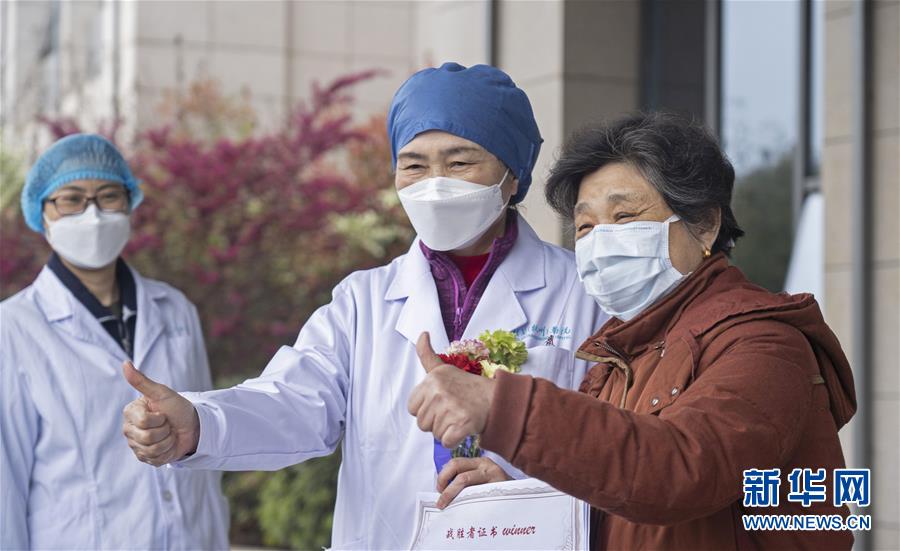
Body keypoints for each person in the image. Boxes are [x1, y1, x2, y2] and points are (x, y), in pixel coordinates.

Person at [120, 62, 607, 549]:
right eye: (414, 164)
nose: (435, 183)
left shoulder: (582, 293)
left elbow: (615, 449)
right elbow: (291, 402)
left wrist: (523, 498)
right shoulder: (363, 301)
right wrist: (198, 423)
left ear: (512, 175)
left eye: (460, 163)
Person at [408, 112, 857, 550]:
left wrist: (502, 406)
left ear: (705, 224)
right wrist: (523, 500)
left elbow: (680, 470)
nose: (600, 241)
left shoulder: (763, 345)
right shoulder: (617, 360)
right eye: (585, 226)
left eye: (624, 217)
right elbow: (620, 494)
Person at [0, 134, 229, 550]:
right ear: (42, 212)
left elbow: (204, 451)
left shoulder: (175, 310)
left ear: (130, 203)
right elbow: (5, 486)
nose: (92, 214)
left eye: (108, 196)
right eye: (70, 199)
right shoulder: (13, 329)